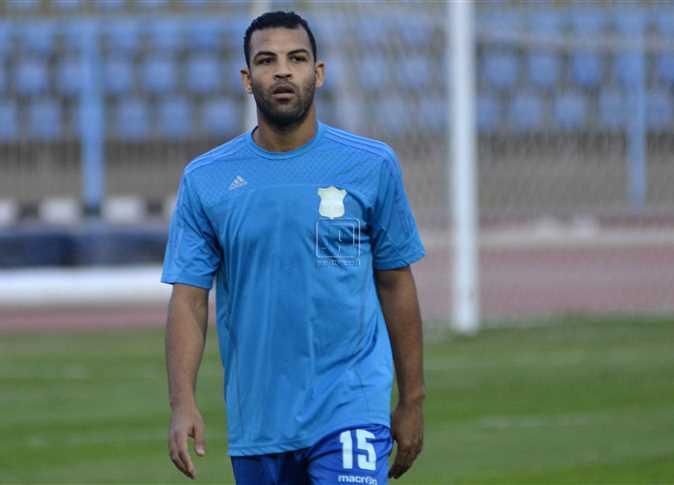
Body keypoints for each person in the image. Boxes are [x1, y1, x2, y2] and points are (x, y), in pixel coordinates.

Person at [162, 10, 426, 485]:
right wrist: (182, 402)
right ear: (247, 79)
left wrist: (412, 400)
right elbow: (189, 299)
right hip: (260, 421)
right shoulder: (207, 179)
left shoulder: (371, 165)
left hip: (352, 404)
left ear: (318, 73)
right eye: (267, 61)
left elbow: (395, 282)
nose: (283, 71)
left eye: (297, 59)